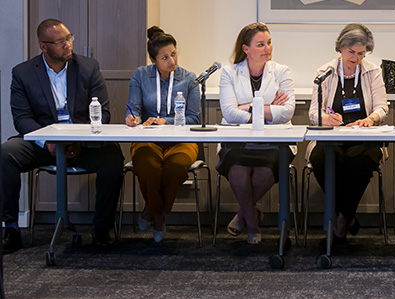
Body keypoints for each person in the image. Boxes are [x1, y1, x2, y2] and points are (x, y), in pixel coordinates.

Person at [1, 19, 124, 252]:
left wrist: (80, 140)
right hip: (43, 145)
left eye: (69, 38)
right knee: (5, 154)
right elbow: (22, 118)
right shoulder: (23, 73)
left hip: (82, 144)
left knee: (112, 156)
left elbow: (102, 114)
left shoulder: (89, 67)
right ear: (43, 46)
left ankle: (102, 228)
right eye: (60, 42)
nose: (68, 45)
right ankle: (11, 229)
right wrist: (47, 141)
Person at [307, 23, 389, 244]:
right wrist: (326, 119)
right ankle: (349, 216)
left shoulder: (372, 71)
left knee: (361, 162)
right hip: (331, 138)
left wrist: (371, 119)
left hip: (364, 137)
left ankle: (341, 223)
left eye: (361, 53)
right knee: (322, 160)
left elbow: (382, 107)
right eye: (351, 52)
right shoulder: (324, 73)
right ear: (341, 49)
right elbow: (313, 113)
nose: (356, 58)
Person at [218, 22, 295, 244]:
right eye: (260, 44)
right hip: (238, 141)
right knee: (238, 170)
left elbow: (287, 111)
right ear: (246, 49)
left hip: (274, 141)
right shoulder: (229, 73)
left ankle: (244, 214)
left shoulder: (281, 71)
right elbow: (230, 113)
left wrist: (247, 106)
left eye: (269, 43)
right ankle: (252, 222)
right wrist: (266, 106)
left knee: (265, 171)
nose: (267, 48)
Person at [125, 26, 202, 243]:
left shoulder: (189, 79)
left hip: (181, 139)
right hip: (147, 138)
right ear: (153, 60)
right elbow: (133, 109)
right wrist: (132, 119)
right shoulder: (141, 75)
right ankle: (158, 217)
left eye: (174, 54)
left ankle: (151, 211)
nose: (172, 61)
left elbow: (193, 118)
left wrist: (164, 121)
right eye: (165, 57)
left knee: (176, 167)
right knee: (148, 167)